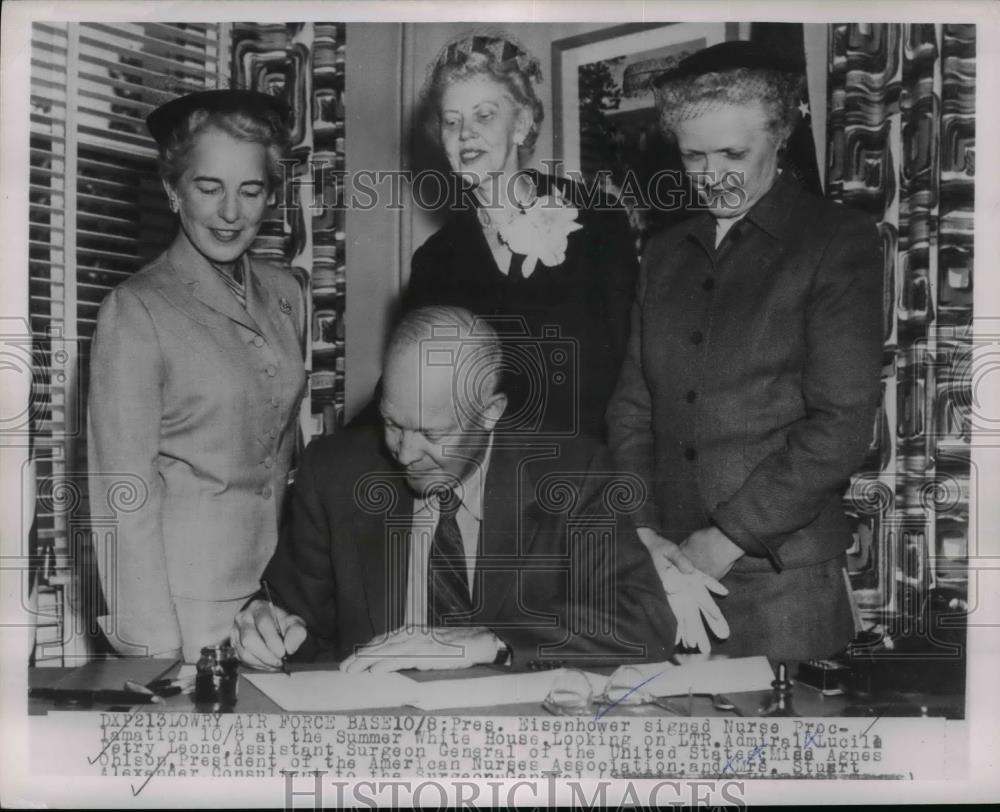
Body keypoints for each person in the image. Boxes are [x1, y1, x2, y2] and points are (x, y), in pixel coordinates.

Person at [607, 41, 884, 663]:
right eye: (694, 156)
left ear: (780, 136)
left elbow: (840, 425)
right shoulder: (662, 254)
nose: (714, 176)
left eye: (734, 153)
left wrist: (729, 535)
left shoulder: (836, 240)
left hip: (783, 580)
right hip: (668, 567)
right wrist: (643, 527)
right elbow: (633, 407)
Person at [231, 306, 700, 673]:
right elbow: (294, 613)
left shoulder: (572, 476)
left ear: (491, 411)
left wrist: (492, 639)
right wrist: (269, 625)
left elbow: (645, 621)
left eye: (433, 434)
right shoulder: (334, 473)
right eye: (393, 423)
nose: (406, 452)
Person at [87, 90, 307, 662]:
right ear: (173, 191)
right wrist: (156, 655)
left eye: (250, 190)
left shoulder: (287, 294)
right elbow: (121, 500)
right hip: (183, 614)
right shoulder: (135, 310)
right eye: (209, 188)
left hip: (277, 605)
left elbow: (283, 453)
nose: (230, 212)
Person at [403, 31, 639, 440]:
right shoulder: (434, 260)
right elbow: (416, 387)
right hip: (491, 481)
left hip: (591, 472)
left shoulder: (599, 218)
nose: (465, 134)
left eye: (484, 115)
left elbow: (634, 369)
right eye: (451, 120)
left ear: (522, 123)